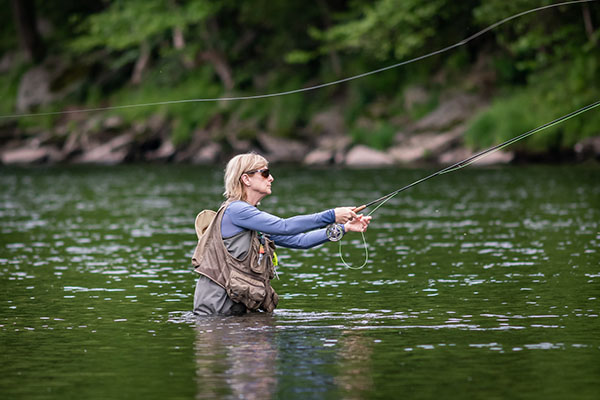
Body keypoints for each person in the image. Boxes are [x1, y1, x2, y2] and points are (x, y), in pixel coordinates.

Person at [192, 152, 371, 316]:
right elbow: (284, 226)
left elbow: (301, 241)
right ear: (246, 179)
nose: (271, 178)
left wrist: (344, 228)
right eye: (264, 173)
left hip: (237, 313)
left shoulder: (251, 217)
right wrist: (331, 215)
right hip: (215, 315)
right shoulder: (236, 210)